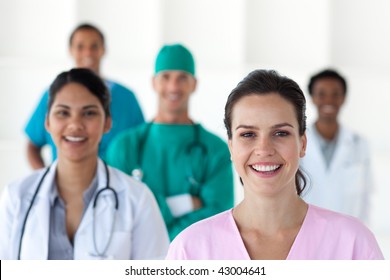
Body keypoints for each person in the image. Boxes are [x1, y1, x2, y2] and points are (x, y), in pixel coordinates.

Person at [165, 69, 384, 260]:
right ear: (231, 147)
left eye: (280, 133)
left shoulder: (354, 244)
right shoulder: (190, 250)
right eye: (248, 134)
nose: (264, 149)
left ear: (302, 143)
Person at [0, 68, 169, 260]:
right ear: (47, 123)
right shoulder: (16, 197)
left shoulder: (137, 199)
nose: (75, 125)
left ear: (107, 123)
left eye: (89, 113)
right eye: (63, 113)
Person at [106, 44, 234, 240]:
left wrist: (154, 221)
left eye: (182, 78)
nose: (173, 86)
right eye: (166, 77)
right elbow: (116, 210)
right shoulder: (125, 146)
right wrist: (187, 203)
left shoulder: (215, 150)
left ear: (194, 84)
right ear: (154, 83)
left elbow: (218, 216)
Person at [25, 23, 144, 169]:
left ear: (107, 123)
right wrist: (45, 180)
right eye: (80, 47)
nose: (88, 53)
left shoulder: (126, 98)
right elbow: (32, 145)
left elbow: (142, 147)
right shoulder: (52, 96)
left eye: (94, 46)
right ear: (70, 51)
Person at [300, 69, 373, 224]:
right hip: (306, 229)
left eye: (335, 94)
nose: (329, 100)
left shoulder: (359, 144)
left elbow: (365, 199)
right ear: (312, 98)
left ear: (343, 98)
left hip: (348, 232)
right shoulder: (297, 141)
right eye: (321, 94)